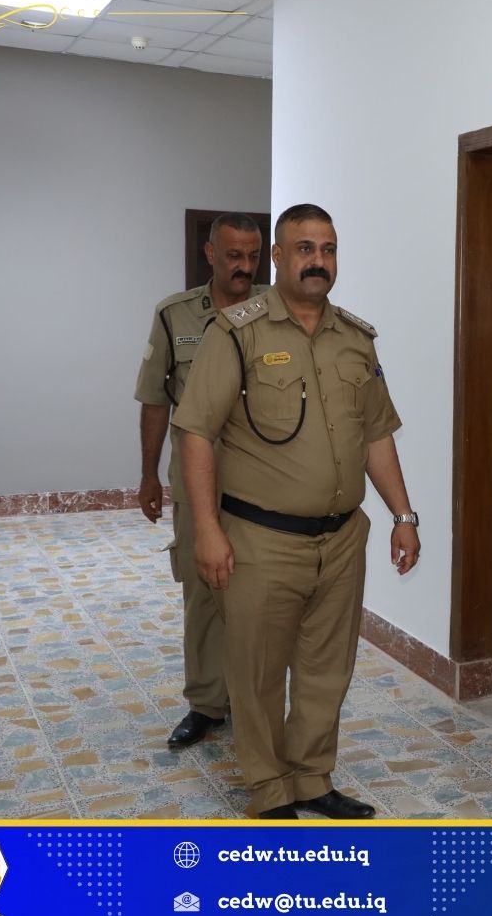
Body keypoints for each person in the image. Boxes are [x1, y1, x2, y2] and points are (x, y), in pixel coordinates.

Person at [173, 203, 420, 819]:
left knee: (326, 670)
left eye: (328, 249)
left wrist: (403, 515)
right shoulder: (237, 333)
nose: (318, 260)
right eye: (305, 248)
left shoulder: (356, 340)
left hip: (341, 540)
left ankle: (312, 779)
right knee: (256, 672)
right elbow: (196, 432)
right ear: (279, 258)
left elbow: (376, 435)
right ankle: (269, 789)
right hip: (261, 539)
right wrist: (206, 530)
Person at [134, 212, 265, 749]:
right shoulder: (175, 315)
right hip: (197, 482)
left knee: (261, 596)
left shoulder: (276, 310)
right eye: (233, 256)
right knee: (204, 593)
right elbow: (155, 400)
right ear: (211, 254)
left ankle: (254, 701)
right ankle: (208, 703)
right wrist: (148, 476)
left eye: (253, 256)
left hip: (264, 484)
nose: (244, 267)